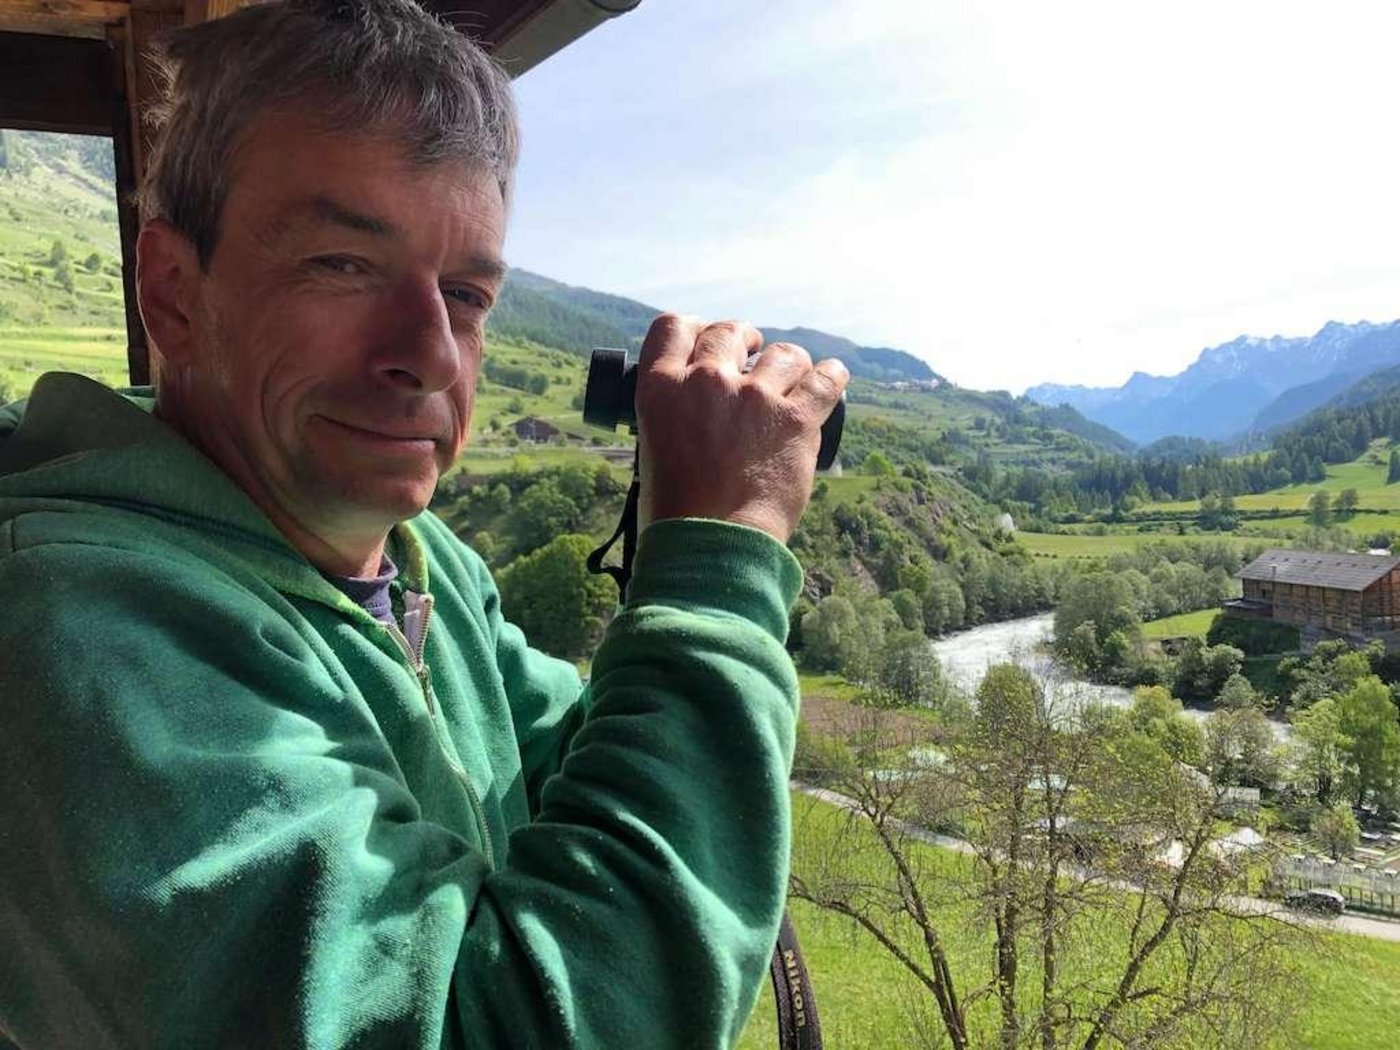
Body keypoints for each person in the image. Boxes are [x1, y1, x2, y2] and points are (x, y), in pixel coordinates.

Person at [0, 0, 848, 1047]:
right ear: (174, 294)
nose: (431, 355)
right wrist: (717, 562)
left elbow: (578, 776)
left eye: (467, 293)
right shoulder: (73, 632)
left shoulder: (414, 558)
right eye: (342, 265)